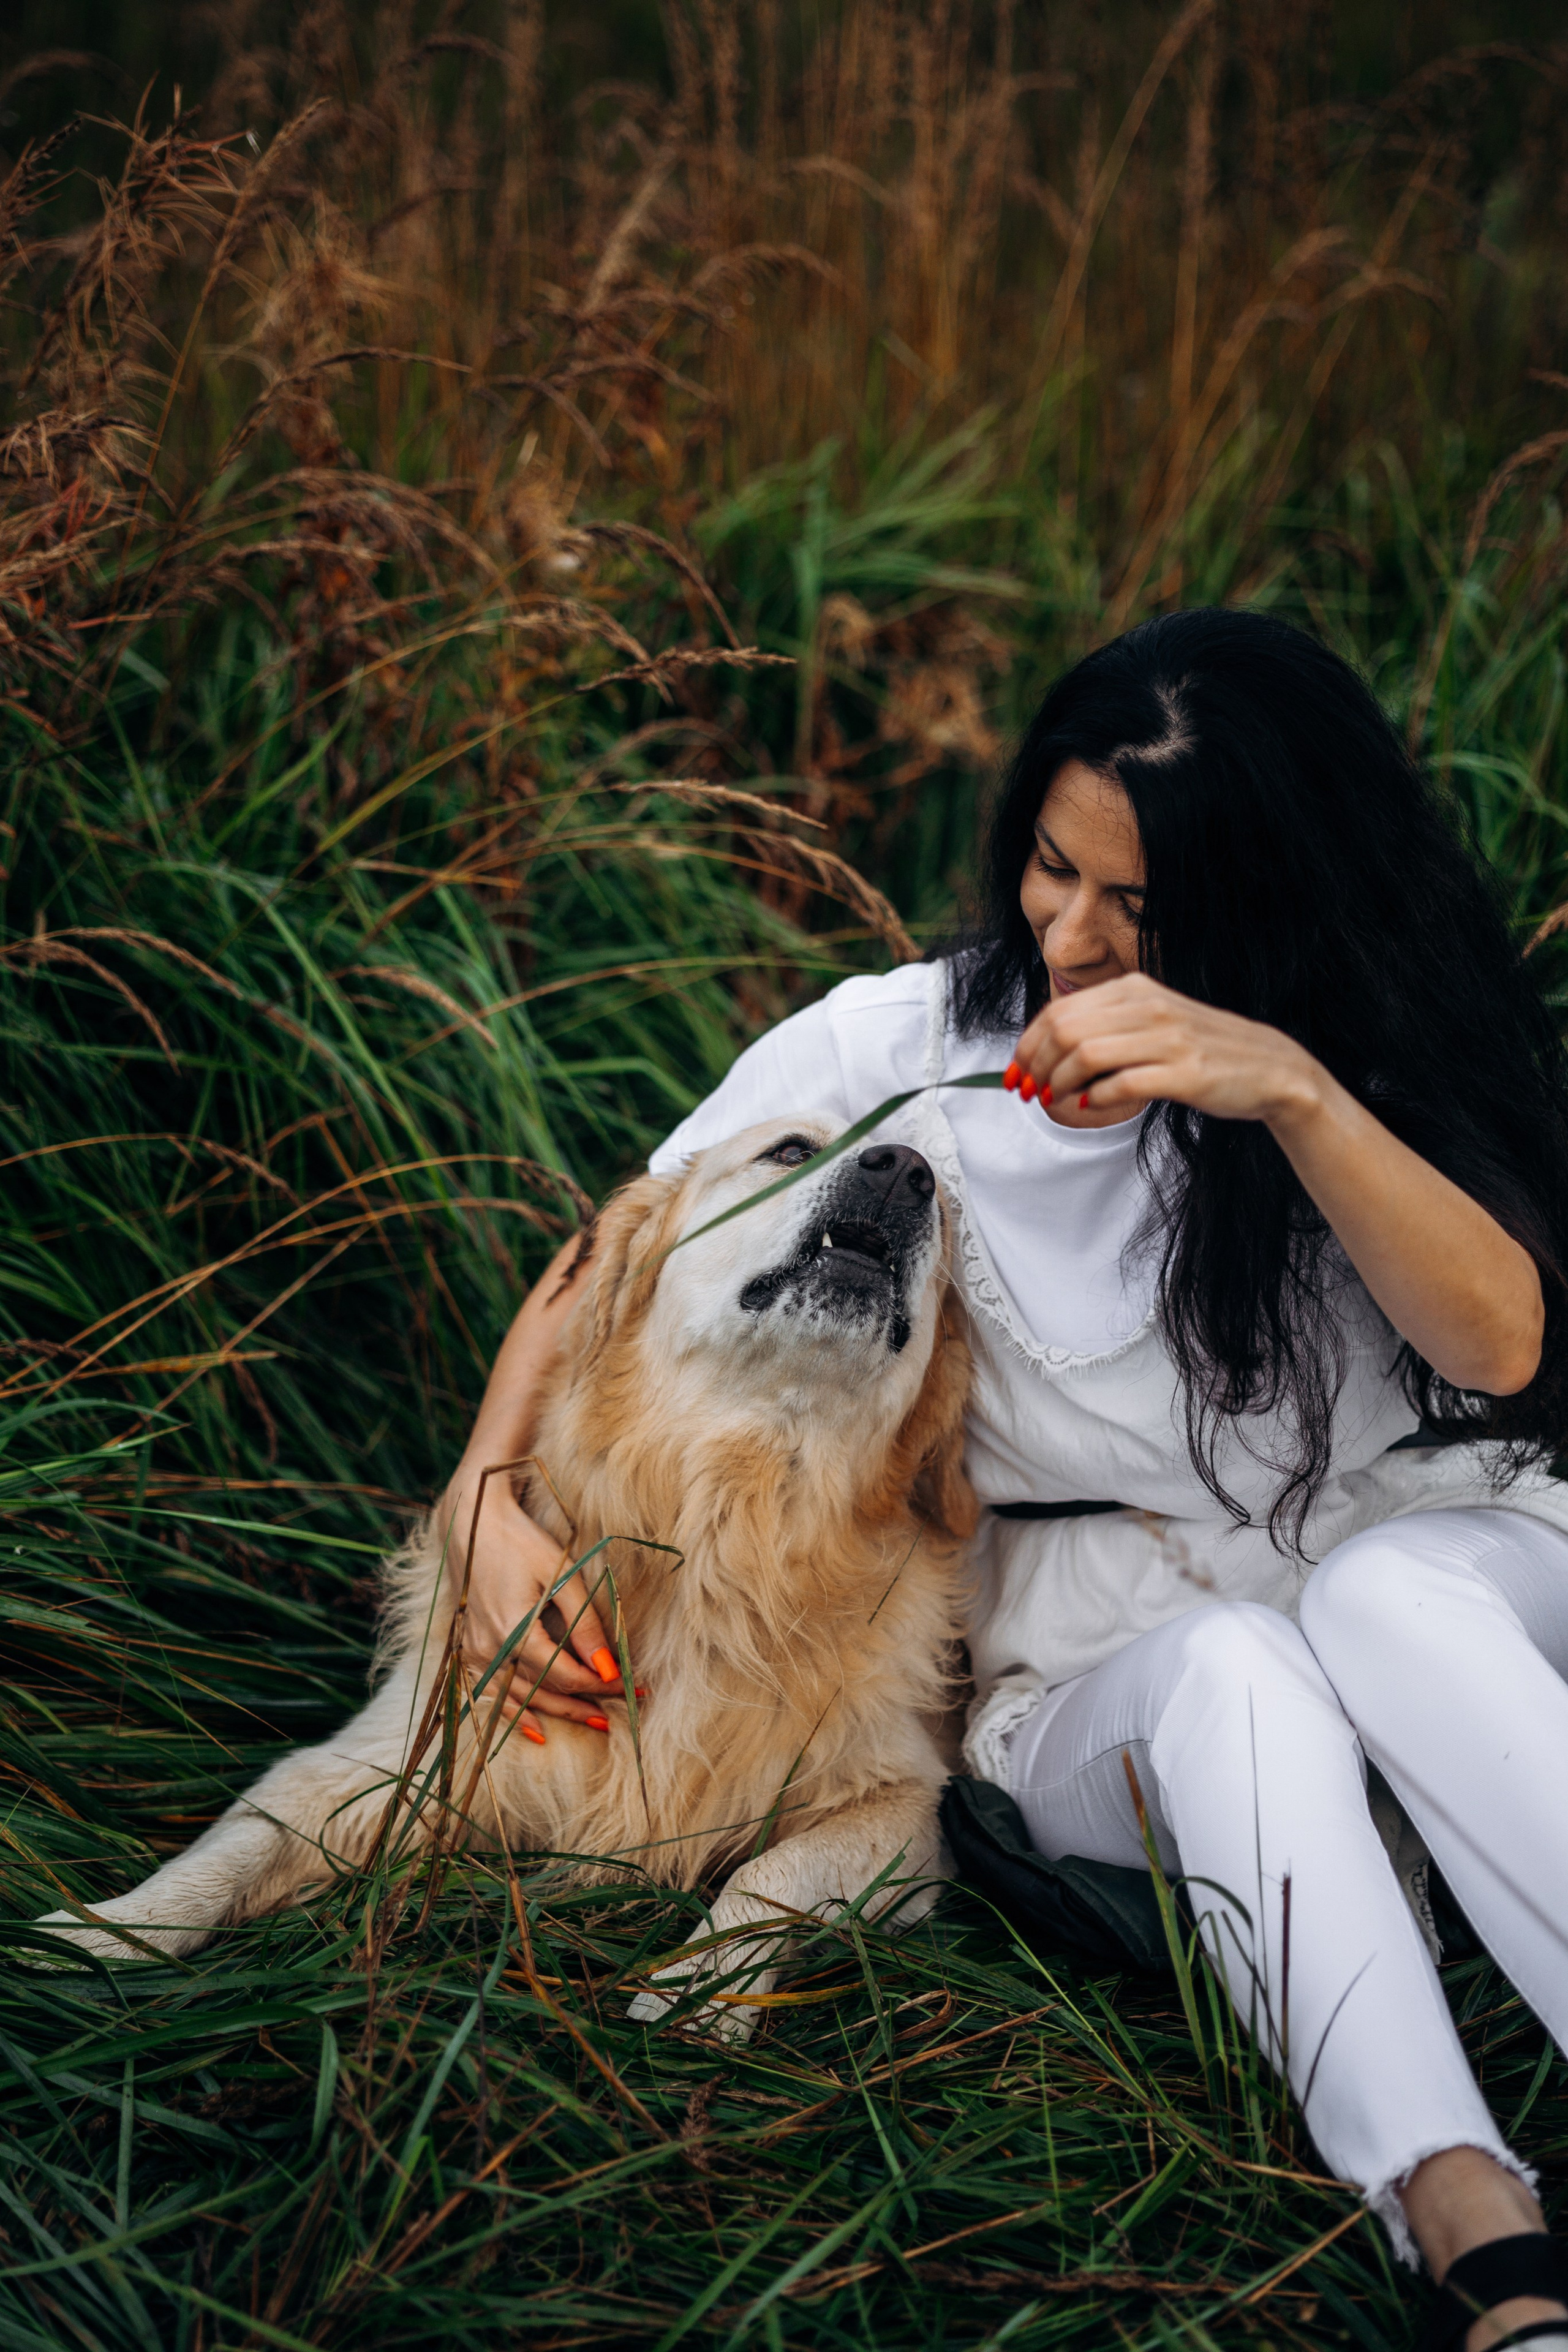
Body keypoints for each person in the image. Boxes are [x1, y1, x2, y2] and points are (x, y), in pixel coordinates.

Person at [440, 610, 1568, 2350]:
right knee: (1240, 1668)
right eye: (1051, 870)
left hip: (1445, 1565)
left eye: (1145, 911)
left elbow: (1501, 1348)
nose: (1073, 937)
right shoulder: (901, 1051)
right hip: (1127, 1648)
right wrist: (483, 1504)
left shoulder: (1362, 1045)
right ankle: (1471, 2221)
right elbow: (621, 1250)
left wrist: (1286, 1091)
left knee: (1381, 1599)